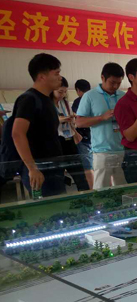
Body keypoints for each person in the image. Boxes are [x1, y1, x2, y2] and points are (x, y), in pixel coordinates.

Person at [11, 53, 65, 197]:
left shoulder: (47, 100)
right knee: (49, 207)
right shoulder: (29, 99)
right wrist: (32, 168)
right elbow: (17, 134)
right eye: (56, 73)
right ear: (42, 77)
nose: (60, 77)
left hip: (53, 166)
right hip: (39, 169)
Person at [75, 63, 127, 189]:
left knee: (123, 187)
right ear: (102, 78)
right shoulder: (90, 96)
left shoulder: (123, 96)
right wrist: (101, 117)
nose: (115, 86)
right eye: (112, 82)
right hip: (101, 151)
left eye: (119, 83)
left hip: (122, 149)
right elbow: (79, 122)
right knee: (101, 187)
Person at [52, 77, 90, 191]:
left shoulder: (65, 103)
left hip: (69, 140)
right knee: (57, 176)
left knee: (80, 175)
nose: (63, 95)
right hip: (56, 142)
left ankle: (85, 195)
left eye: (65, 92)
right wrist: (62, 119)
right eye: (60, 92)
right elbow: (47, 121)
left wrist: (72, 118)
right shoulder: (47, 104)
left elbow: (73, 121)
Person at [72, 79, 93, 188]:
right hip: (95, 137)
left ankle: (92, 190)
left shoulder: (78, 101)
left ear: (78, 90)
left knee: (88, 167)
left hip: (83, 138)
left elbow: (77, 120)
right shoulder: (94, 98)